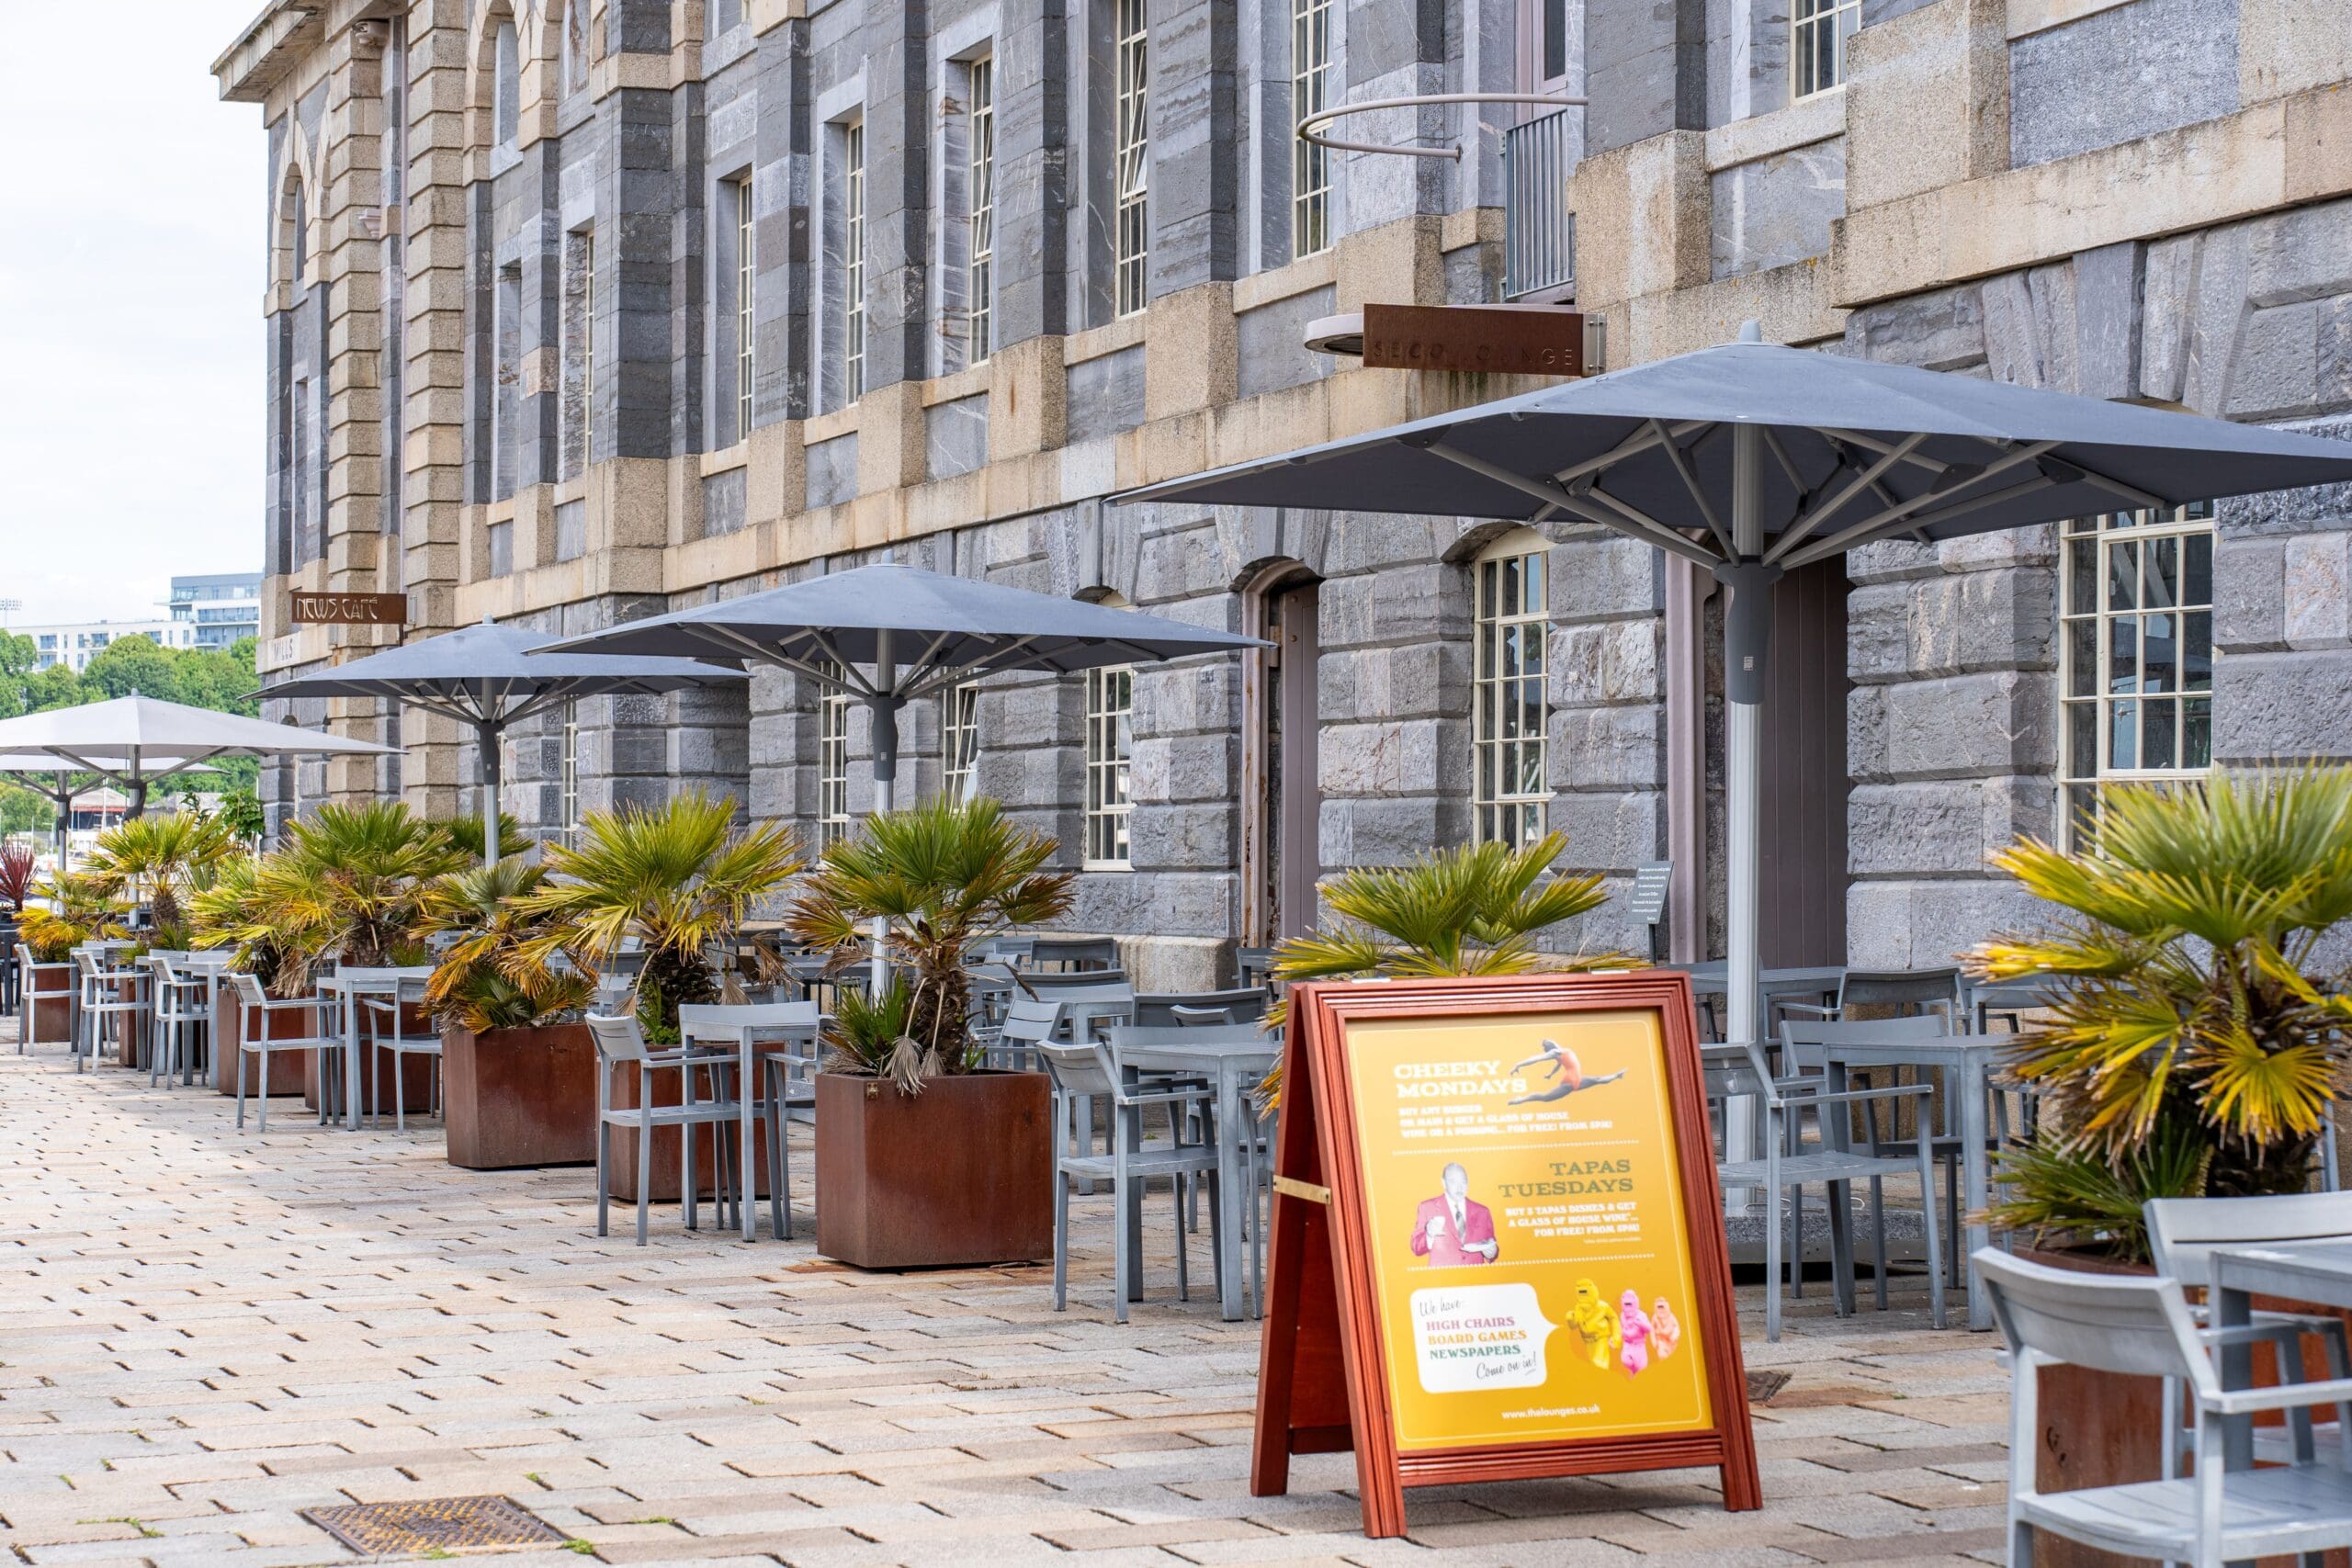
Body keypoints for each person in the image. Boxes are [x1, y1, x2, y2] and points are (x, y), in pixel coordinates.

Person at [1411, 1162, 1498, 1266]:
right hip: (1443, 1278)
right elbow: (1416, 1248)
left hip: (1476, 1277)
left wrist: (1492, 1253)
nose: (1459, 1187)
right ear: (1443, 1183)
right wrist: (1429, 1235)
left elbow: (1492, 1245)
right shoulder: (1427, 1207)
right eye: (1453, 1181)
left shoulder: (1483, 1211)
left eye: (1464, 1182)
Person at [1508, 1038, 1628, 1106]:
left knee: (1598, 1080)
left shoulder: (1561, 1052)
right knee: (1546, 1098)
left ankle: (1617, 1075)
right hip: (1570, 1081)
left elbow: (1558, 1065)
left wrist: (1550, 1074)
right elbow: (1535, 1059)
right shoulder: (1556, 1052)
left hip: (1577, 1079)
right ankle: (1520, 1100)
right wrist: (1519, 1064)